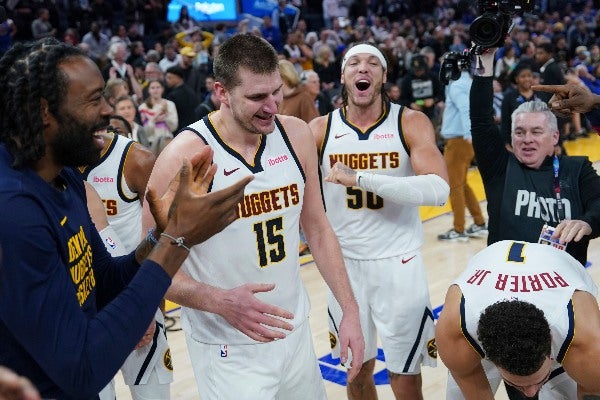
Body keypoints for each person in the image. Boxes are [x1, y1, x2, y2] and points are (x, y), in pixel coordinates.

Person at [0, 37, 252, 399]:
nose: (107, 111)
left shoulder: (65, 177)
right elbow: (83, 368)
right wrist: (176, 241)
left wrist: (159, 234)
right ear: (44, 112)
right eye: (93, 100)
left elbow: (103, 280)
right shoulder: (13, 210)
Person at [143, 34, 365, 399]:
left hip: (294, 334)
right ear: (222, 92)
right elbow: (146, 265)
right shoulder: (184, 154)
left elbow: (319, 229)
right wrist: (218, 300)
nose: (271, 106)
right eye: (257, 97)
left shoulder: (295, 135)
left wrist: (350, 309)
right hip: (228, 347)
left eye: (276, 91)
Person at [309, 43, 449, 400]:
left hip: (399, 263)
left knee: (405, 375)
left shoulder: (409, 121)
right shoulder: (320, 130)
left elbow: (438, 189)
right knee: (355, 370)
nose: (363, 69)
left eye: (373, 63)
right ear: (342, 76)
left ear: (384, 76)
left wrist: (361, 179)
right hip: (344, 267)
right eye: (354, 63)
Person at [470, 48, 600, 269]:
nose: (526, 139)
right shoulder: (500, 169)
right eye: (519, 132)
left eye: (537, 132)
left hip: (561, 288)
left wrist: (588, 222)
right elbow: (481, 119)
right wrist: (485, 60)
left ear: (555, 137)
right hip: (504, 288)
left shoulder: (577, 168)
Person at [436, 240, 600, 400]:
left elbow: (591, 392)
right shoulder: (457, 330)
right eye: (518, 385)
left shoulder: (586, 343)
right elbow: (470, 384)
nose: (530, 393)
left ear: (550, 351)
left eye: (538, 381)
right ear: (491, 358)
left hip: (561, 274)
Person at [82, 126, 173, 400]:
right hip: (82, 310)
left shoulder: (135, 159)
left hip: (131, 288)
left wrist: (147, 305)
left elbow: (165, 235)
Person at [438, 63, 487, 242]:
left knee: (454, 186)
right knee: (462, 185)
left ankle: (458, 229)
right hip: (463, 141)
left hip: (459, 140)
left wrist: (469, 133)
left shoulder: (457, 84)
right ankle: (479, 222)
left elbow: (466, 109)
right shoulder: (468, 81)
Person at [138, 79, 178, 155]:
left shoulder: (170, 105)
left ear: (162, 89)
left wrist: (165, 114)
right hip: (150, 144)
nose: (155, 90)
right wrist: (155, 117)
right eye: (152, 88)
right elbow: (146, 132)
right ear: (149, 90)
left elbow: (173, 127)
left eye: (158, 87)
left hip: (167, 142)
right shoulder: (143, 108)